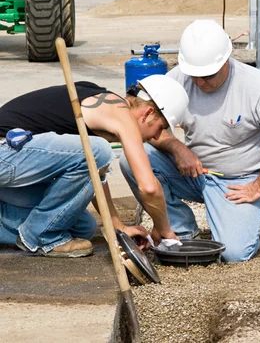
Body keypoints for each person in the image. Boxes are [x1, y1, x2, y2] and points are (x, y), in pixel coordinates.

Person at [120, 19, 260, 263]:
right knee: (131, 158)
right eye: (194, 75)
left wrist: (259, 185)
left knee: (233, 254)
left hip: (237, 182)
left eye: (207, 76)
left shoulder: (255, 86)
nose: (199, 82)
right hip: (193, 173)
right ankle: (180, 229)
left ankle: (237, 216)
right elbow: (148, 123)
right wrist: (178, 148)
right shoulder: (179, 79)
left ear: (225, 60)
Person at [0, 75, 189, 257]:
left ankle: (24, 227)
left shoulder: (100, 106)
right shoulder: (121, 114)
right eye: (160, 127)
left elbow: (94, 176)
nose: (157, 137)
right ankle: (39, 236)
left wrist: (117, 226)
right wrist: (164, 229)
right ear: (147, 114)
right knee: (99, 150)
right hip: (5, 152)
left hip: (15, 165)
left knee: (82, 226)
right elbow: (149, 187)